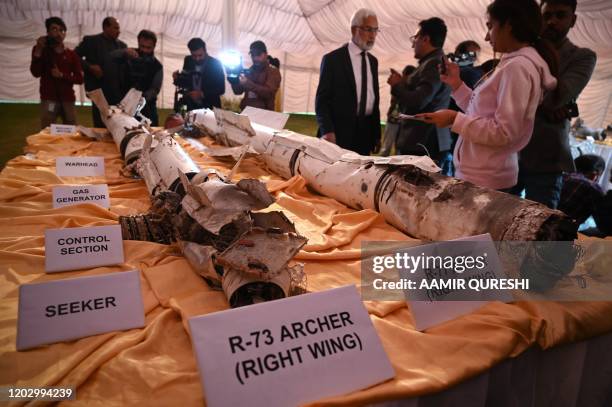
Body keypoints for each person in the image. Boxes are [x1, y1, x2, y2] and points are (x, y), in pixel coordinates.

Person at [417, 0, 558, 191]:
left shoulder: (517, 68)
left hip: (486, 178)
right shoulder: (513, 64)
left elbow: (504, 133)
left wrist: (455, 119)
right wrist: (456, 84)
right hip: (482, 174)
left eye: (490, 27)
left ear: (508, 25)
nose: (486, 37)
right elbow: (483, 113)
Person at [512, 0, 597, 208]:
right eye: (547, 15)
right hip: (509, 152)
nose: (552, 21)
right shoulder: (520, 50)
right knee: (494, 221)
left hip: (546, 155)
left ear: (573, 20)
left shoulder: (582, 57)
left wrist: (556, 104)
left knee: (539, 231)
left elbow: (557, 98)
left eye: (560, 15)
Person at [388, 17, 452, 173]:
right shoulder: (434, 62)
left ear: (425, 39)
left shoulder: (432, 64)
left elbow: (419, 101)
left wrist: (397, 86)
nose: (412, 44)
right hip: (428, 140)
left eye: (415, 38)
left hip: (423, 142)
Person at [315, 9, 381, 156]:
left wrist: (376, 133)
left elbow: (373, 100)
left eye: (376, 30)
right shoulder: (333, 60)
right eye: (368, 29)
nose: (373, 35)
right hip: (338, 134)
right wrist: (327, 130)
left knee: (361, 176)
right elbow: (321, 100)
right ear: (353, 29)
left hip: (365, 134)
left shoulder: (373, 62)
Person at [30, 17, 83, 129]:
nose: (58, 33)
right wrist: (38, 50)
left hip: (68, 99)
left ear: (65, 34)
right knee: (47, 131)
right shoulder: (40, 49)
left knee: (72, 131)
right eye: (54, 29)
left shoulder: (71, 54)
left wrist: (62, 75)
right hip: (49, 99)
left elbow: (79, 79)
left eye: (62, 30)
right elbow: (35, 73)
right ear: (48, 32)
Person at [76, 17, 127, 127]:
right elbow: (74, 56)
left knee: (117, 125)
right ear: (105, 27)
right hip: (98, 91)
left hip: (117, 94)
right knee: (100, 125)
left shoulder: (122, 46)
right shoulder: (90, 41)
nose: (119, 31)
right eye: (115, 28)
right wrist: (90, 67)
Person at [112, 30, 163, 125]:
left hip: (147, 109)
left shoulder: (157, 66)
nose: (144, 50)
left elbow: (155, 89)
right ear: (138, 42)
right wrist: (124, 52)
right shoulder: (128, 55)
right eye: (142, 46)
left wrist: (140, 99)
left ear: (154, 46)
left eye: (148, 48)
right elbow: (109, 57)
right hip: (124, 107)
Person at [558, 155, 608, 232]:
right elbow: (604, 226)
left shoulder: (560, 176)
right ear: (594, 175)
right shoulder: (593, 188)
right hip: (558, 236)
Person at [173, 38, 225, 111]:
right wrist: (177, 79)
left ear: (205, 51)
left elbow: (221, 89)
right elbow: (185, 81)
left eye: (200, 55)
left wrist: (202, 94)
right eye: (194, 56)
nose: (197, 59)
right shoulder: (188, 60)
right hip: (191, 106)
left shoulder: (215, 64)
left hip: (210, 107)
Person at [230, 41, 281, 112]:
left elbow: (269, 93)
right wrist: (233, 79)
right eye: (253, 55)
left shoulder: (273, 71)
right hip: (246, 112)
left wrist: (248, 84)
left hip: (264, 115)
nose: (255, 58)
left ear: (266, 54)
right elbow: (238, 92)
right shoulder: (250, 70)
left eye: (258, 54)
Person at [378, 65, 416, 156]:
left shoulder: (412, 88)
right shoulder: (399, 86)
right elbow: (394, 100)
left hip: (403, 123)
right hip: (393, 120)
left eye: (404, 75)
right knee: (387, 147)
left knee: (399, 149)